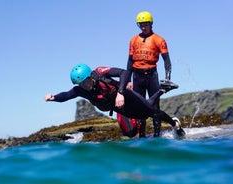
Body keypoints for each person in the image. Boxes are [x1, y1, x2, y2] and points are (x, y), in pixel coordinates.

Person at [45, 64, 185, 138]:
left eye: (86, 82)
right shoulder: (81, 90)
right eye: (81, 84)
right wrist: (54, 98)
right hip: (118, 106)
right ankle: (162, 90)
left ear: (91, 77)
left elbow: (123, 73)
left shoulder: (100, 73)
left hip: (124, 95)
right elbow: (67, 95)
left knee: (152, 112)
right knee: (143, 114)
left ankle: (175, 124)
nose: (85, 86)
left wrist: (120, 93)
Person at [126, 11, 175, 137]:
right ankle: (141, 136)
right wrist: (127, 80)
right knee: (139, 108)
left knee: (155, 107)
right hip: (137, 76)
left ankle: (156, 135)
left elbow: (167, 61)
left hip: (152, 75)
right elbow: (130, 61)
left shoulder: (159, 40)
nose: (143, 27)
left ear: (151, 23)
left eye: (146, 24)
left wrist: (167, 79)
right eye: (141, 25)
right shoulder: (133, 40)